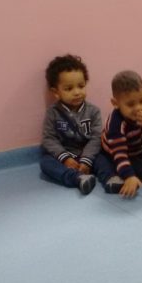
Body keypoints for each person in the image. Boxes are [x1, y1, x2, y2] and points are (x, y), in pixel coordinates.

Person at [97, 70, 142, 198]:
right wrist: (129, 176)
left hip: (140, 143)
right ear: (115, 103)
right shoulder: (116, 123)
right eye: (130, 104)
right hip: (115, 152)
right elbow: (119, 154)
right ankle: (128, 173)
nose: (138, 108)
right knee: (131, 171)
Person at [39, 54, 102, 194]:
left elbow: (96, 138)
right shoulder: (53, 113)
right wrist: (65, 158)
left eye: (81, 86)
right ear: (56, 92)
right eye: (69, 89)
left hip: (88, 154)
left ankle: (110, 179)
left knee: (104, 158)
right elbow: (49, 139)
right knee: (45, 163)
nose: (77, 92)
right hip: (64, 155)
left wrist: (86, 159)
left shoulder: (93, 111)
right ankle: (77, 178)